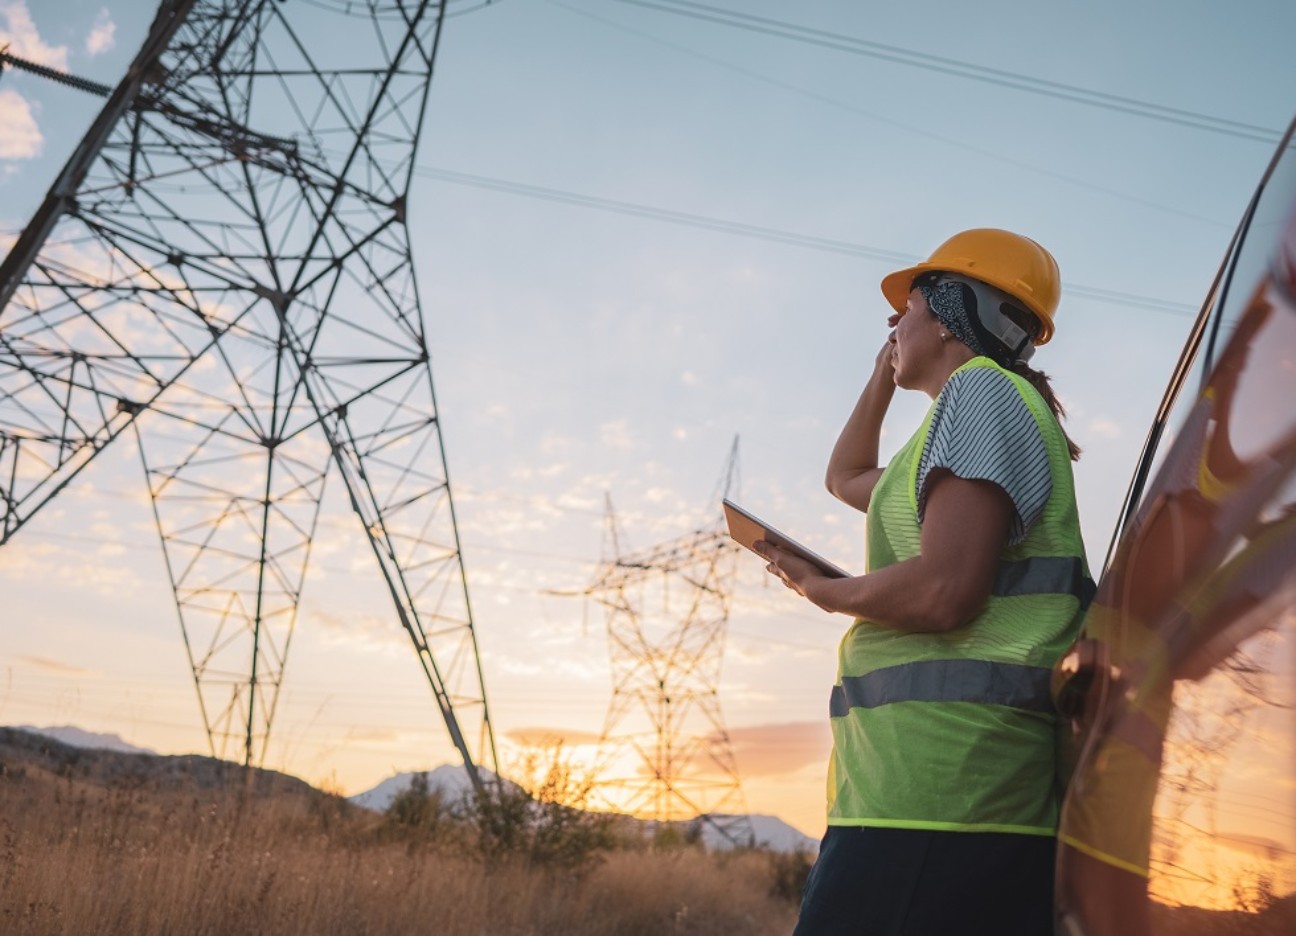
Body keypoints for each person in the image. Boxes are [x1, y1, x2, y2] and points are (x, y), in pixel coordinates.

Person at [757, 229, 1093, 935]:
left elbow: (945, 591)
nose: (891, 323)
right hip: (923, 799)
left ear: (947, 314)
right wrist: (886, 370)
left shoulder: (981, 395)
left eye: (905, 308)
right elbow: (846, 478)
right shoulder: (959, 423)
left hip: (947, 796)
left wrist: (826, 593)